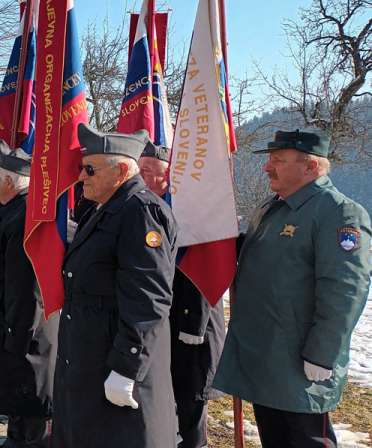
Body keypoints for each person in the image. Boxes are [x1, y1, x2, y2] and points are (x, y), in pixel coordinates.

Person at [213, 130, 371, 447]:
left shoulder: (338, 213)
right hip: (266, 357)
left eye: (278, 161)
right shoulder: (272, 209)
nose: (267, 167)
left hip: (301, 361)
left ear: (310, 167)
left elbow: (344, 291)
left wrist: (322, 355)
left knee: (306, 440)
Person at [52, 124, 178, 447]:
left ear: (121, 170)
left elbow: (148, 300)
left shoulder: (142, 213)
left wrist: (126, 367)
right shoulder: (103, 210)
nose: (82, 177)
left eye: (90, 169)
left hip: (115, 369)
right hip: (90, 365)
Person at [139, 141, 225, 448]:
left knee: (189, 403)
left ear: (168, 176)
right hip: (164, 324)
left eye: (147, 170)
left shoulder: (189, 213)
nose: (140, 175)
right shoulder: (144, 209)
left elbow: (203, 270)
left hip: (192, 329)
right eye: (139, 168)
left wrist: (193, 327)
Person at [0, 142, 52, 447]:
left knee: (29, 396)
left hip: (22, 330)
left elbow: (25, 287)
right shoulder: (11, 209)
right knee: (16, 393)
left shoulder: (23, 218)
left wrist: (17, 335)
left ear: (8, 182)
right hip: (5, 322)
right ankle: (14, 438)